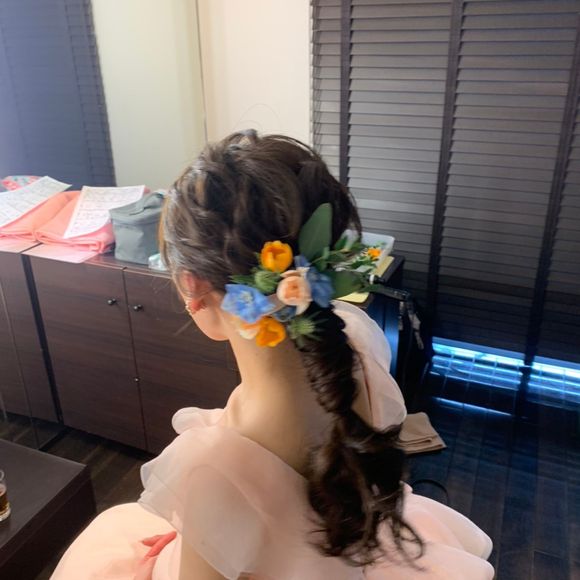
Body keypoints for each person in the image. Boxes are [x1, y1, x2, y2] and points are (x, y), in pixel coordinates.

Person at [51, 131, 494, 580]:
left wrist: (205, 532)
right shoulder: (359, 333)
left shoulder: (215, 473)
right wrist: (200, 537)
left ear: (191, 285)